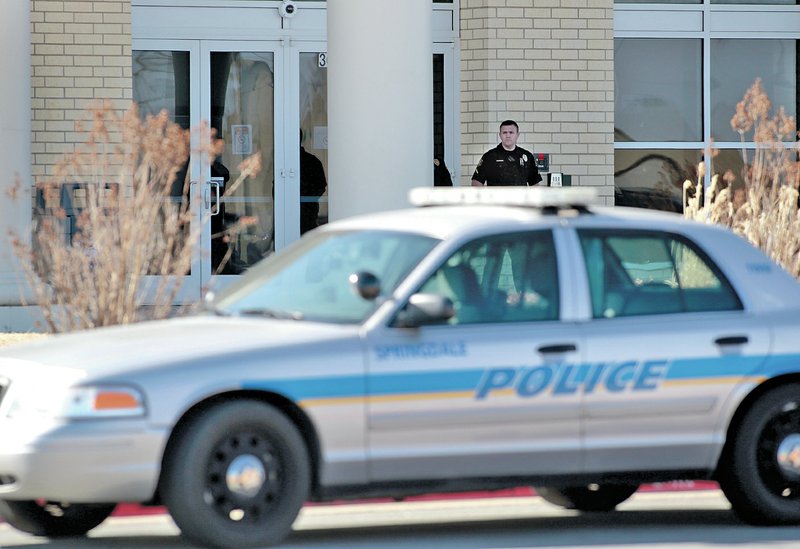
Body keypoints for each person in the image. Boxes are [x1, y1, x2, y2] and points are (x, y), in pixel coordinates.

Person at [471, 120, 542, 186]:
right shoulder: (489, 156)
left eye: (511, 132)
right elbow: (476, 183)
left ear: (517, 135)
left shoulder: (527, 156)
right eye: (504, 132)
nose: (508, 136)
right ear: (500, 135)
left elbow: (535, 184)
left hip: (520, 199)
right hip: (496, 199)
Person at [300, 130, 328, 234]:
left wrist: (307, 199)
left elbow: (320, 186)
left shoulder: (311, 161)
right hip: (309, 210)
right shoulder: (312, 161)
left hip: (308, 211)